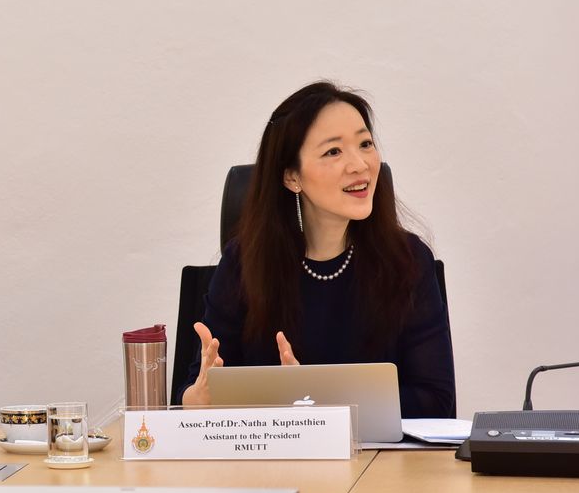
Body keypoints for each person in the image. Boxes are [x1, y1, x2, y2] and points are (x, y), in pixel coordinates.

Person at [182, 81, 455, 418]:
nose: (360, 165)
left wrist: (316, 399)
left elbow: (436, 400)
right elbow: (197, 391)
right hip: (274, 451)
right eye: (333, 151)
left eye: (365, 144)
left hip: (377, 452)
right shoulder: (245, 262)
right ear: (292, 177)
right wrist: (197, 399)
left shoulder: (408, 260)